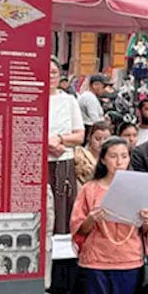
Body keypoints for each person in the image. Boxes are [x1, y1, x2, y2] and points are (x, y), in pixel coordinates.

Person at [71, 137, 148, 294]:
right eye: (113, 156)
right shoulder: (90, 189)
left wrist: (146, 220)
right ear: (102, 159)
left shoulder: (138, 188)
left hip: (129, 259)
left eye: (124, 156)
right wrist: (92, 218)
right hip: (97, 259)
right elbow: (78, 227)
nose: (119, 162)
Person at [48, 58, 84, 236]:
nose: (50, 76)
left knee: (62, 212)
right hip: (37, 163)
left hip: (63, 163)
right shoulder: (30, 98)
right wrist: (48, 144)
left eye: (54, 72)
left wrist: (61, 139)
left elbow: (79, 135)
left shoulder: (69, 100)